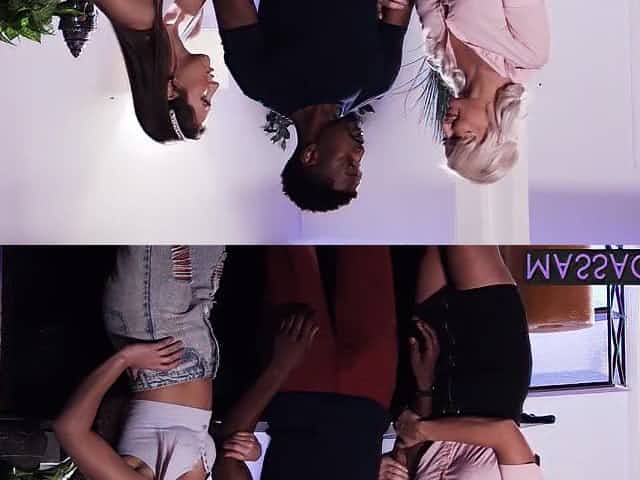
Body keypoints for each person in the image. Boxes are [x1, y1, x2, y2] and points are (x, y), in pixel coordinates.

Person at [52, 246, 244, 480]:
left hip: (152, 327)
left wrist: (124, 358)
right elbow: (200, 434)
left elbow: (69, 429)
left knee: (158, 224)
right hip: (198, 330)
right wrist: (244, 449)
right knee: (208, 225)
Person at [211, 246, 399, 480]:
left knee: (292, 246)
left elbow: (227, 452)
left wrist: (280, 366)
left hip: (299, 383)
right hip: (370, 397)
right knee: (368, 246)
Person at [212, 0, 413, 212]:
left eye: (349, 164)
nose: (360, 153)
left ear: (311, 156)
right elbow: (400, 5)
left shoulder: (257, 81)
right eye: (358, 164)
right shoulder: (379, 80)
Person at [380, 246, 542, 480]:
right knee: (463, 235)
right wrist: (423, 431)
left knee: (431, 239)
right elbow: (505, 433)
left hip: (433, 380)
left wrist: (424, 387)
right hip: (491, 372)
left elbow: (408, 443)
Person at [414, 0, 550, 183]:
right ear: (491, 133)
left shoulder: (439, 58)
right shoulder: (528, 54)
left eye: (446, 139)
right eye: (458, 138)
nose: (446, 128)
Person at [94, 0, 219, 142]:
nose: (215, 86)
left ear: (170, 91)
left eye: (204, 99)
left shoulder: (137, 17)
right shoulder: (191, 26)